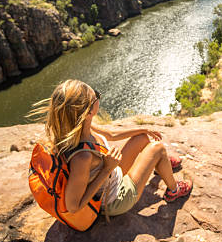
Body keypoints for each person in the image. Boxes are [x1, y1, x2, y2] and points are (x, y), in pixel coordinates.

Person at [32, 79, 192, 219]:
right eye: (96, 96)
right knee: (157, 148)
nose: (98, 97)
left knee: (142, 139)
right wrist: (107, 168)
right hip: (115, 199)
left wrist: (142, 130)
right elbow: (73, 206)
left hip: (112, 175)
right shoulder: (82, 158)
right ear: (87, 112)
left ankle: (160, 164)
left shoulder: (79, 126)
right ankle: (174, 190)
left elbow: (111, 133)